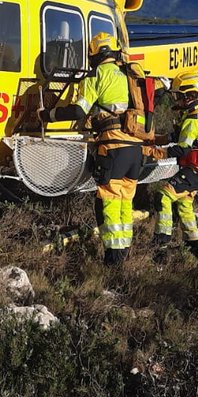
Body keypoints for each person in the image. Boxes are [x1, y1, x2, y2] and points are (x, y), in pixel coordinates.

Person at [43, 32, 140, 265]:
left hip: (113, 147)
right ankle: (124, 254)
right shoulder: (126, 72)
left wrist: (48, 114)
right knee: (125, 201)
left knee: (106, 201)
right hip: (135, 151)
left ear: (94, 54)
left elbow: (78, 111)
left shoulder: (96, 75)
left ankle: (112, 260)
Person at [154, 73, 198, 259]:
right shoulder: (191, 115)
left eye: (178, 95)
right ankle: (196, 248)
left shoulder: (193, 120)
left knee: (164, 195)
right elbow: (174, 136)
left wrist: (155, 153)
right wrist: (152, 139)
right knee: (184, 205)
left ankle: (161, 243)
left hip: (196, 170)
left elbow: (182, 150)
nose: (176, 99)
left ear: (188, 96)